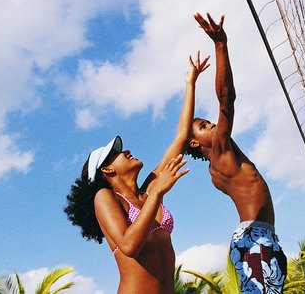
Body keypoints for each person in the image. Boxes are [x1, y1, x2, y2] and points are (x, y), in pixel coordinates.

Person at [64, 52, 209, 294]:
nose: (127, 150)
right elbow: (129, 245)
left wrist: (190, 84)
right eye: (117, 152)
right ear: (107, 170)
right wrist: (157, 194)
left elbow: (182, 138)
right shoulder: (105, 197)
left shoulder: (149, 190)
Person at [186, 12, 286, 294]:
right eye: (204, 126)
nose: (213, 124)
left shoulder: (216, 170)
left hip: (255, 237)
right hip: (256, 238)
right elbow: (226, 98)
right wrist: (220, 45)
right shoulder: (219, 152)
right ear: (195, 144)